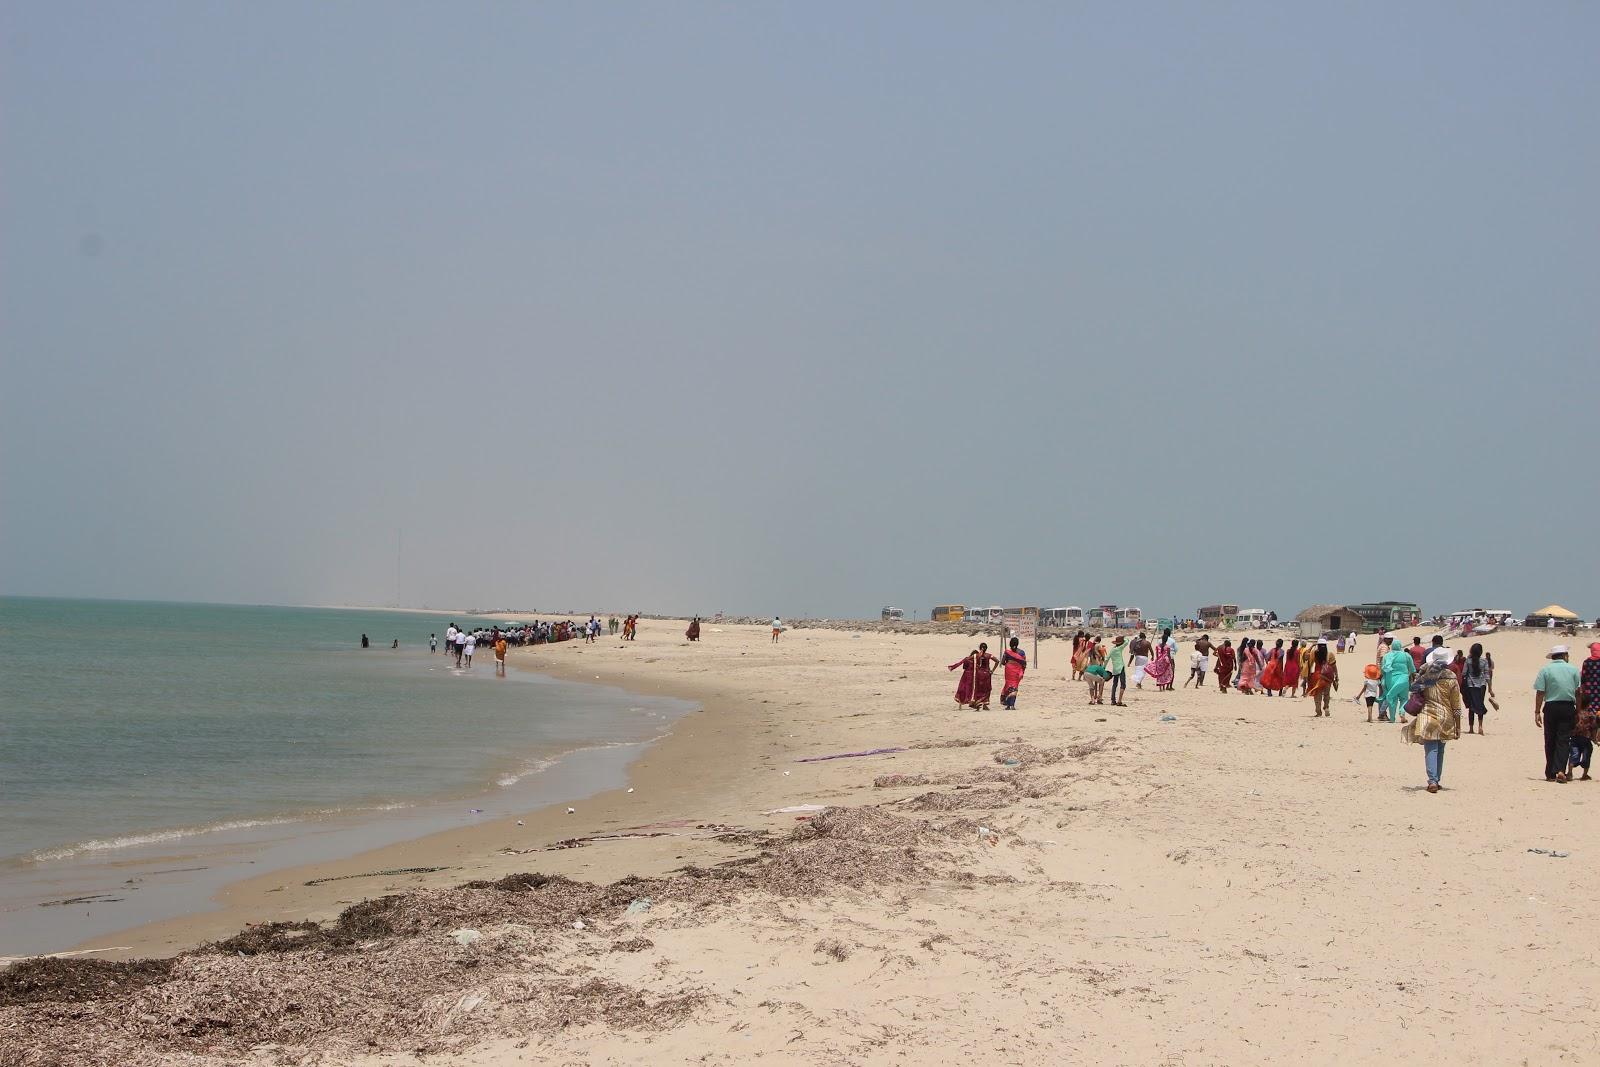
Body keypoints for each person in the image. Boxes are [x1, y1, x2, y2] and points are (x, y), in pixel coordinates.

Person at [1403, 646, 1464, 793]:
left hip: (1427, 715)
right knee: (1440, 749)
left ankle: (1432, 780)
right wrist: (1458, 725)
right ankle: (1436, 779)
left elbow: (1413, 688)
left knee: (1431, 749)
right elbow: (1456, 704)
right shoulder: (1451, 677)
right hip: (1445, 717)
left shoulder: (1425, 675)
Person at [1534, 645, 1582, 783]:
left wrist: (1537, 711)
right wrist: (1578, 711)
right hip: (1567, 707)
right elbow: (1578, 693)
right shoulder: (1573, 669)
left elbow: (1540, 692)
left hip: (1550, 707)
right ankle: (1560, 770)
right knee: (1564, 739)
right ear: (1565, 656)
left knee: (1550, 739)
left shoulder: (1545, 670)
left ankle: (1550, 773)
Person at [1573, 643, 1600, 781]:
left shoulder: (1587, 662)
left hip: (1589, 698)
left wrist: (1582, 692)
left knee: (1587, 719)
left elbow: (1582, 678)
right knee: (1595, 722)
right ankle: (1595, 736)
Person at [1462, 643, 1496, 734]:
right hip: (1481, 686)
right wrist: (1490, 689)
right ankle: (1480, 726)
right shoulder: (1484, 661)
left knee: (1471, 706)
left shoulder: (1468, 661)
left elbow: (1464, 674)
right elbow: (1487, 675)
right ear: (1481, 652)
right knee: (1480, 704)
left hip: (1470, 686)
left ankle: (1471, 728)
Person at [1380, 637, 1415, 724]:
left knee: (1392, 699)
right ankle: (1402, 713)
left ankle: (1392, 718)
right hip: (1403, 680)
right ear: (1400, 646)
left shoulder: (1387, 656)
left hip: (1390, 679)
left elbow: (1382, 669)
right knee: (1404, 699)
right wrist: (1410, 675)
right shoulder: (1406, 655)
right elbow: (1412, 669)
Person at [1307, 641, 1339, 717]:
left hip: (1317, 675)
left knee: (1317, 694)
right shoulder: (1330, 654)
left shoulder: (1314, 653)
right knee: (1326, 694)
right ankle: (1326, 707)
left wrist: (1309, 675)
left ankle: (1318, 711)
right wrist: (1336, 676)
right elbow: (1334, 666)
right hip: (1327, 676)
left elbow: (1309, 662)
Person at [1000, 636, 1027, 709]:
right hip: (1017, 671)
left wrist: (1009, 664)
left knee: (1008, 685)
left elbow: (1002, 662)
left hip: (1008, 670)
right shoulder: (1022, 652)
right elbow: (1024, 663)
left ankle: (1008, 705)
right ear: (1017, 644)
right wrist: (1022, 671)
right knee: (1015, 686)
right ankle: (1012, 705)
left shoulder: (1007, 652)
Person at [972, 642, 997, 709]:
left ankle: (978, 702)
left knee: (979, 688)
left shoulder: (977, 656)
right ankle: (984, 704)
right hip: (987, 673)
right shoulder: (988, 655)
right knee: (987, 688)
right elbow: (997, 661)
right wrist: (992, 670)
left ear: (980, 648)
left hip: (979, 673)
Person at [1106, 636, 1129, 706]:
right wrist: (1123, 638)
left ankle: (1113, 700)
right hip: (1120, 667)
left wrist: (1103, 667)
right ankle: (1119, 700)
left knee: (1114, 684)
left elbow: (1107, 659)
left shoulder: (1112, 649)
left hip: (1115, 669)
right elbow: (1127, 641)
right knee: (1123, 684)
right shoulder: (1119, 648)